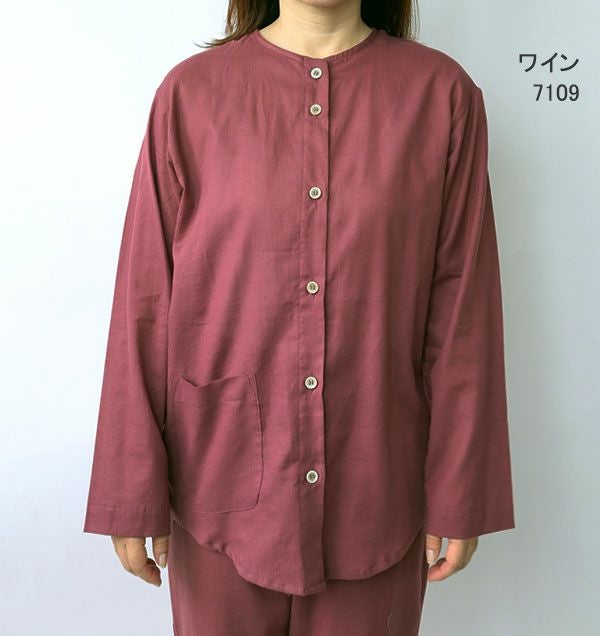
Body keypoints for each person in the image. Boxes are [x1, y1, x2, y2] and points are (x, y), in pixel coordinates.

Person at [83, 1, 516, 634]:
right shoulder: (190, 95)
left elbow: (463, 310)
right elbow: (145, 302)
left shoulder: (442, 96)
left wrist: (459, 488)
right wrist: (131, 487)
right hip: (216, 483)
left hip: (377, 489)